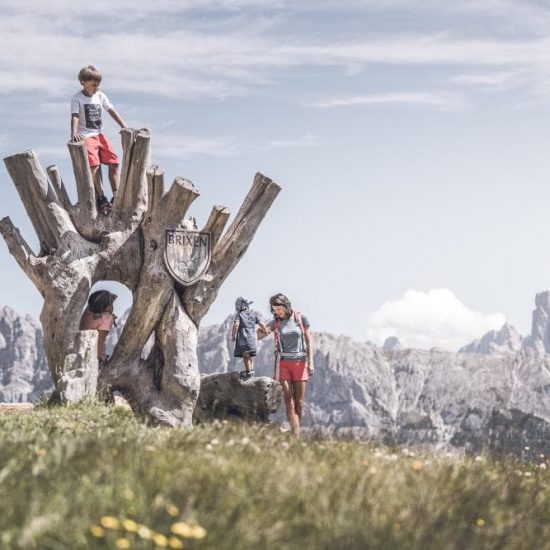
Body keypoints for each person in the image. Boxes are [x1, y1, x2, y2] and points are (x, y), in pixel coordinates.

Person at [70, 65, 128, 214]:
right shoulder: (77, 98)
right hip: (87, 136)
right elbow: (75, 116)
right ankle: (102, 198)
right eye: (93, 85)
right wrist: (74, 133)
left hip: (100, 134)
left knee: (114, 162)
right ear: (83, 82)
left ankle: (116, 196)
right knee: (94, 166)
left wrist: (124, 126)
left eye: (98, 85)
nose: (96, 88)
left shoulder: (100, 96)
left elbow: (111, 111)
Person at [262, 293, 314, 437]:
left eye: (279, 309)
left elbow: (309, 341)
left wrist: (311, 363)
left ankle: (295, 430)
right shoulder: (275, 323)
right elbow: (259, 334)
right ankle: (296, 436)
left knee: (300, 403)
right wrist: (257, 328)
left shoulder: (300, 318)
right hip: (283, 363)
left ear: (286, 306)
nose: (277, 312)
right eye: (274, 310)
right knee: (288, 399)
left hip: (300, 363)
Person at [231, 297, 268, 379]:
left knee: (246, 356)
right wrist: (265, 330)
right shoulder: (254, 315)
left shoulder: (239, 315)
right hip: (252, 339)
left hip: (244, 339)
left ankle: (248, 372)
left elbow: (236, 325)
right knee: (249, 356)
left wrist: (233, 335)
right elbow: (261, 323)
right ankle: (251, 370)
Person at [79, 290, 117, 362]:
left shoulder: (89, 311)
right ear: (107, 308)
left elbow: (98, 302)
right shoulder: (106, 319)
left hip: (81, 352)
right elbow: (100, 342)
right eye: (111, 304)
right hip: (93, 359)